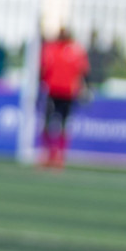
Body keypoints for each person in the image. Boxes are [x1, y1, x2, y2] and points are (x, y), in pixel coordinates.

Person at [39, 26, 88, 169]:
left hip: (68, 93)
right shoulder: (51, 49)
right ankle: (48, 154)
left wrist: (85, 89)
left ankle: (59, 156)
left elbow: (83, 72)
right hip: (52, 91)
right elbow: (43, 70)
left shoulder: (75, 50)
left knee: (64, 124)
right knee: (48, 123)